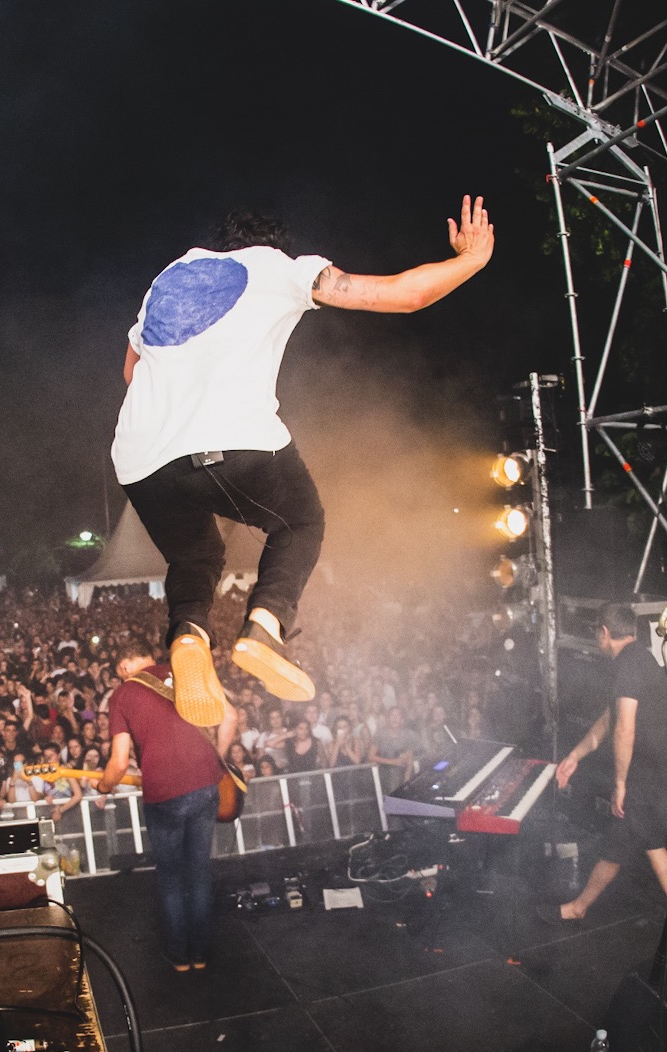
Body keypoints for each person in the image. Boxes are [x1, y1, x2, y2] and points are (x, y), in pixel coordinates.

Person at [113, 199, 495, 726]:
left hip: (140, 459)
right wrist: (471, 260)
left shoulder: (170, 275)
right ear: (271, 244)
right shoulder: (281, 266)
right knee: (300, 522)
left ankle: (188, 635)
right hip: (234, 440)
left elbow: (132, 373)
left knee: (196, 556)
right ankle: (265, 627)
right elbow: (405, 295)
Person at [96, 634, 238, 971]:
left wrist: (103, 786)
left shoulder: (123, 694)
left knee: (172, 877)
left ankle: (179, 956)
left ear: (124, 665)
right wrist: (215, 760)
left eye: (119, 672)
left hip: (164, 794)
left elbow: (119, 762)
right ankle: (200, 955)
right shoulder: (186, 672)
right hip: (206, 785)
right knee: (199, 871)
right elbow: (230, 717)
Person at [550, 603, 667, 924]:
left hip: (653, 768)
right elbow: (609, 720)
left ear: (604, 632)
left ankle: (579, 907)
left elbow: (625, 728)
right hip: (660, 763)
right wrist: (575, 756)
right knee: (645, 838)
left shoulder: (628, 664)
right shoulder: (636, 658)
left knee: (626, 833)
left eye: (596, 631)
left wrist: (621, 783)